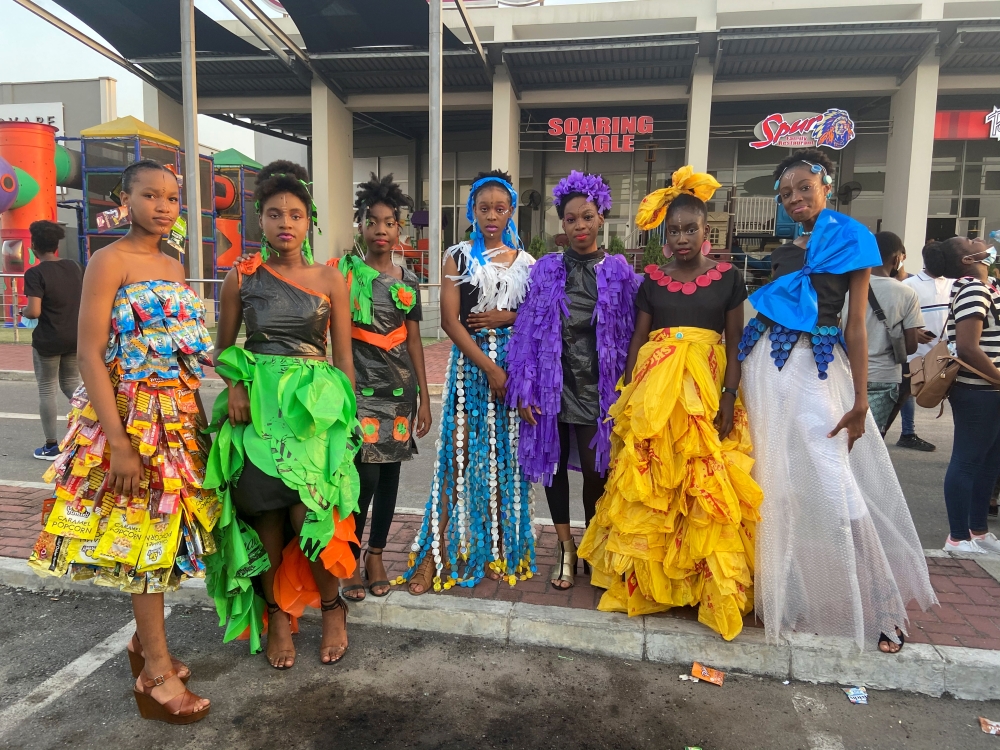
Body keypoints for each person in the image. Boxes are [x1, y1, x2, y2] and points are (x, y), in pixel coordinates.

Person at [27, 159, 215, 722]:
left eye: (172, 198)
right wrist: (120, 443)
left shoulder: (175, 265)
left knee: (168, 533)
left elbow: (183, 353)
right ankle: (155, 675)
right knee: (143, 537)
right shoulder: (108, 261)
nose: (163, 206)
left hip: (177, 420)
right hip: (129, 422)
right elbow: (89, 354)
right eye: (150, 195)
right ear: (124, 200)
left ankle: (143, 645)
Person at [739, 148, 936, 653]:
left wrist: (860, 399)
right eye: (786, 193)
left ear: (826, 185)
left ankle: (885, 604)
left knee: (837, 481)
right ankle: (778, 595)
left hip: (815, 368)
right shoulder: (787, 248)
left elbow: (856, 328)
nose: (795, 198)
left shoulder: (852, 239)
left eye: (804, 187)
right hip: (762, 365)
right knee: (771, 479)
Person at [578, 167, 763, 640]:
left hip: (703, 392)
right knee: (653, 482)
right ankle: (651, 583)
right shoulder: (653, 281)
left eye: (690, 229)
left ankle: (701, 586)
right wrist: (626, 394)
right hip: (655, 393)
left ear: (706, 230)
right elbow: (638, 339)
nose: (682, 238)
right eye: (674, 230)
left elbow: (736, 344)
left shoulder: (728, 277)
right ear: (665, 235)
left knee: (701, 482)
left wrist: (728, 397)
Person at [203, 160, 360, 669]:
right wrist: (235, 384)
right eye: (275, 214)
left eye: (295, 214)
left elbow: (344, 359)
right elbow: (222, 347)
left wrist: (348, 424)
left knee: (313, 512)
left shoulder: (331, 278)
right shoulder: (241, 276)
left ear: (309, 220)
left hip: (314, 414)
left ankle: (332, 609)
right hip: (256, 413)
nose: (285, 223)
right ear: (261, 220)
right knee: (265, 516)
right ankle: (275, 614)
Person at [398, 169, 535, 594]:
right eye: (483, 208)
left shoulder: (527, 262)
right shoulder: (456, 257)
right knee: (456, 459)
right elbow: (450, 321)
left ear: (510, 211)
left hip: (514, 371)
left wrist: (509, 317)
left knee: (504, 461)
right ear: (471, 211)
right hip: (472, 374)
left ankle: (495, 549)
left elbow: (539, 317)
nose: (491, 216)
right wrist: (490, 369)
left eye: (499, 208)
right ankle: (431, 554)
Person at [506, 171, 640, 589]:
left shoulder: (620, 272)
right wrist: (525, 387)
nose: (580, 225)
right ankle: (565, 547)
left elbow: (631, 332)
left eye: (587, 217)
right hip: (551, 384)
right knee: (553, 467)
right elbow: (527, 330)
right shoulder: (546, 269)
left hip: (597, 388)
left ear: (602, 218)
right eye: (570, 219)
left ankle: (592, 545)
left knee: (598, 473)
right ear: (562, 223)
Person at [333, 174, 432, 600]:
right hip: (358, 391)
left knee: (390, 474)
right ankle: (349, 557)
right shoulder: (343, 275)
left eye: (389, 222)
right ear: (359, 226)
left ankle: (376, 555)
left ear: (399, 229)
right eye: (371, 221)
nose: (380, 229)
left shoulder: (408, 280)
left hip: (400, 391)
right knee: (364, 476)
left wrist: (423, 398)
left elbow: (414, 341)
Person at [924, 236, 1000, 554]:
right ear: (969, 260)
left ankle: (978, 532)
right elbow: (968, 347)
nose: (979, 238)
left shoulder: (985, 287)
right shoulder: (973, 290)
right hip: (978, 389)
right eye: (971, 240)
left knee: (988, 462)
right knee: (967, 461)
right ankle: (957, 538)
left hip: (989, 389)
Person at [841, 231, 923, 435]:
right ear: (897, 259)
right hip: (884, 378)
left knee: (843, 437)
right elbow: (911, 346)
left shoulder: (845, 288)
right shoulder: (907, 293)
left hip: (845, 373)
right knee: (872, 439)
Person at [19, 220, 83, 460]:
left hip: (48, 340)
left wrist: (23, 312)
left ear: (34, 245)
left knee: (47, 389)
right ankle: (95, 426)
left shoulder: (35, 273)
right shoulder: (75, 267)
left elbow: (34, 311)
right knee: (71, 384)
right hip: (75, 336)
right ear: (56, 245)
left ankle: (51, 446)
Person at [896, 243, 954, 451]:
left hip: (949, 353)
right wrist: (912, 333)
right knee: (905, 393)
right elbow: (899, 318)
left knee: (954, 394)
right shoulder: (909, 285)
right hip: (916, 353)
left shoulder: (954, 284)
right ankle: (907, 433)